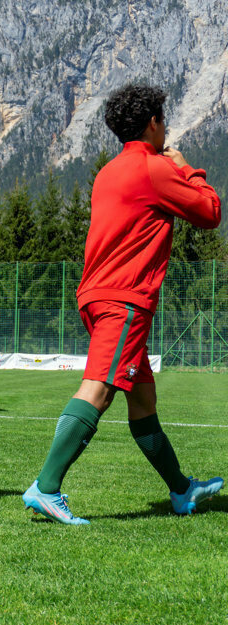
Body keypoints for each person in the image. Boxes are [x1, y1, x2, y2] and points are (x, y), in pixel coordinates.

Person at [22, 83, 223, 524]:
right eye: (163, 120)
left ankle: (182, 491)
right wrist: (187, 166)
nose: (165, 127)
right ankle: (47, 487)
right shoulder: (154, 168)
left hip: (97, 294)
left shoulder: (109, 171)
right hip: (124, 298)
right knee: (98, 390)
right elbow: (210, 213)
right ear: (153, 123)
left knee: (143, 403)